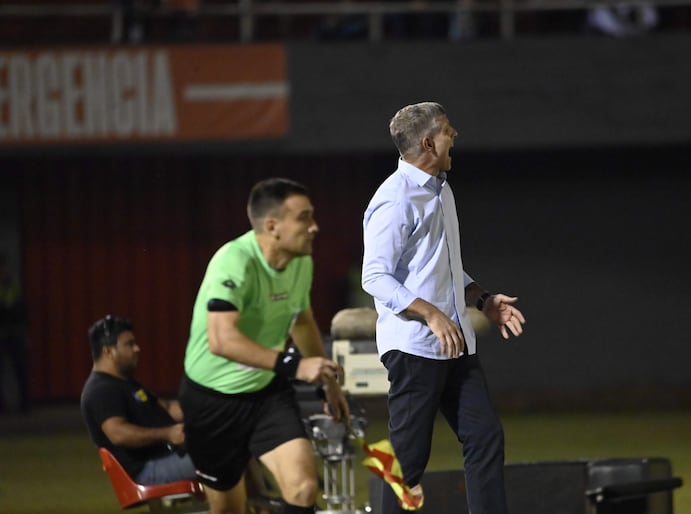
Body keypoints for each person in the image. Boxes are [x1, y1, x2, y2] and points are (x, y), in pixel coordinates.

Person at [361, 102, 526, 514]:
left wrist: (483, 300)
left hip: (455, 344)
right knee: (407, 462)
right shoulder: (395, 198)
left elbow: (442, 268)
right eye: (449, 130)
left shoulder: (441, 189)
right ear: (428, 142)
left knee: (485, 438)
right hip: (416, 347)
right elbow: (375, 277)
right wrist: (431, 314)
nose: (456, 135)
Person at [178, 177, 349, 514]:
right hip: (212, 400)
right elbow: (221, 340)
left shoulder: (301, 261)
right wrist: (295, 366)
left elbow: (301, 320)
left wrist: (328, 385)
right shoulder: (234, 260)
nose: (314, 227)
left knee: (303, 488)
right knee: (229, 509)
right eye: (304, 218)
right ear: (272, 226)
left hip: (265, 393)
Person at [80, 315, 197, 485]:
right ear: (108, 351)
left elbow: (168, 408)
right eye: (129, 344)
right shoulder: (101, 390)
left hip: (168, 457)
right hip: (147, 469)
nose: (137, 348)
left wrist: (209, 410)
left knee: (231, 446)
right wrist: (168, 433)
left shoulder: (123, 382)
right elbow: (118, 433)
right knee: (226, 457)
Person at [0, 253, 29, 413]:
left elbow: (22, 310)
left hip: (15, 334)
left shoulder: (13, 287)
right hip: (2, 334)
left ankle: (25, 405)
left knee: (20, 369)